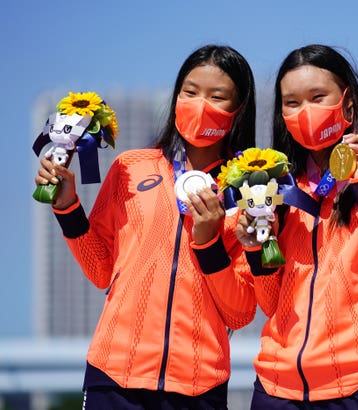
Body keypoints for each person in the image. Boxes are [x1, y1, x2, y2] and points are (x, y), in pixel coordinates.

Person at [34, 44, 257, 409]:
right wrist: (67, 207)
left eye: (217, 96)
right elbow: (101, 269)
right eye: (190, 91)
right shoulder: (131, 166)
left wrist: (209, 243)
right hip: (114, 375)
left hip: (198, 385)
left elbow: (240, 312)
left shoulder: (249, 188)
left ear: (239, 109)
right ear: (175, 96)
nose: (200, 104)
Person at [235, 44, 358, 409]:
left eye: (317, 97)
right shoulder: (277, 185)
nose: (304, 112)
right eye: (291, 103)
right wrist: (254, 248)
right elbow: (270, 302)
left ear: (348, 102)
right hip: (279, 387)